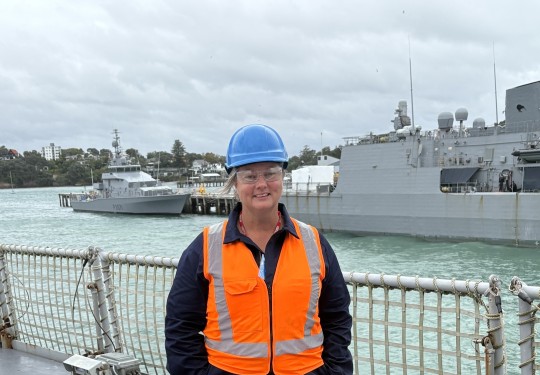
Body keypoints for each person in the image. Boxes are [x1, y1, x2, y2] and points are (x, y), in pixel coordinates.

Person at [165, 124, 353, 375]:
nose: (262, 184)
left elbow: (337, 318)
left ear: (282, 177)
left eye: (271, 173)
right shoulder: (206, 246)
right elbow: (180, 326)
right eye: (250, 176)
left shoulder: (314, 242)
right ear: (234, 183)